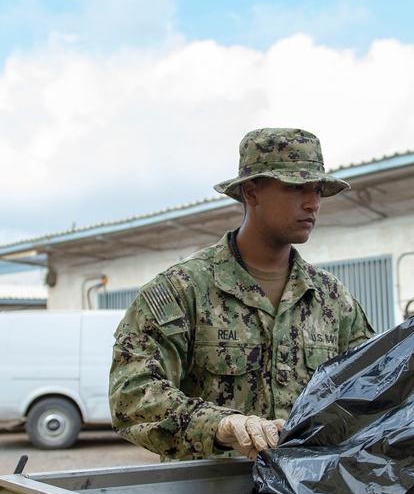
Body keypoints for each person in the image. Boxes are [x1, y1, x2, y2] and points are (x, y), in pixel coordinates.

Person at [110, 127, 375, 461]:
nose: (313, 204)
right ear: (252, 192)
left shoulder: (333, 300)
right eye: (296, 188)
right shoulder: (182, 290)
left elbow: (371, 389)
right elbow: (132, 394)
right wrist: (219, 426)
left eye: (318, 190)